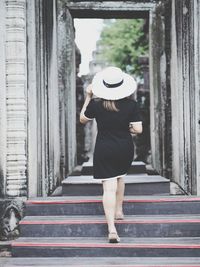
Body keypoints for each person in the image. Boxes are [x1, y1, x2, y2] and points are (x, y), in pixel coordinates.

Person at [80, 66, 143, 243]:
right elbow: (138, 129)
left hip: (104, 148)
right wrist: (126, 128)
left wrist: (88, 96)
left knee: (109, 187)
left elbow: (83, 119)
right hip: (124, 148)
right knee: (120, 177)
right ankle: (119, 211)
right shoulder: (131, 105)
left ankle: (112, 229)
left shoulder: (96, 105)